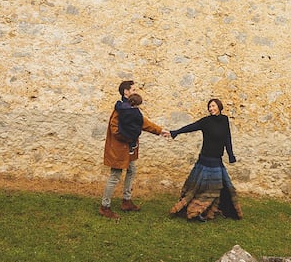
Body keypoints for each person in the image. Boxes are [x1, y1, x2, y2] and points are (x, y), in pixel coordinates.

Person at [100, 80, 170, 219]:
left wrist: (161, 131)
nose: (135, 91)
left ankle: (126, 201)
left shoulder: (132, 109)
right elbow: (114, 129)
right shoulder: (119, 109)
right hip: (119, 150)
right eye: (132, 89)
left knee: (132, 170)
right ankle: (105, 206)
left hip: (129, 149)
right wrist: (127, 138)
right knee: (115, 176)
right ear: (126, 92)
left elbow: (143, 123)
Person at [169, 98, 242, 222]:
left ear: (219, 106)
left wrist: (230, 155)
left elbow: (227, 138)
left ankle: (216, 209)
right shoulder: (206, 121)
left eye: (213, 106)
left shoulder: (224, 120)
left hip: (217, 160)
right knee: (202, 188)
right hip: (205, 160)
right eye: (209, 107)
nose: (211, 109)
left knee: (218, 187)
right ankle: (195, 211)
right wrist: (177, 132)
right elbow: (191, 127)